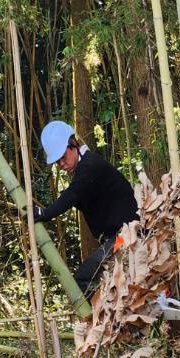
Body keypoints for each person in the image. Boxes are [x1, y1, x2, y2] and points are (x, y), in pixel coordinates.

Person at [31, 119, 139, 297]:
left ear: (73, 144)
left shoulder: (90, 166)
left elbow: (71, 195)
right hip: (118, 239)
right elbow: (75, 196)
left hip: (125, 237)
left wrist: (44, 213)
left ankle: (98, 321)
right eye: (57, 162)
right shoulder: (85, 171)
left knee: (82, 280)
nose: (62, 165)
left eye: (63, 158)